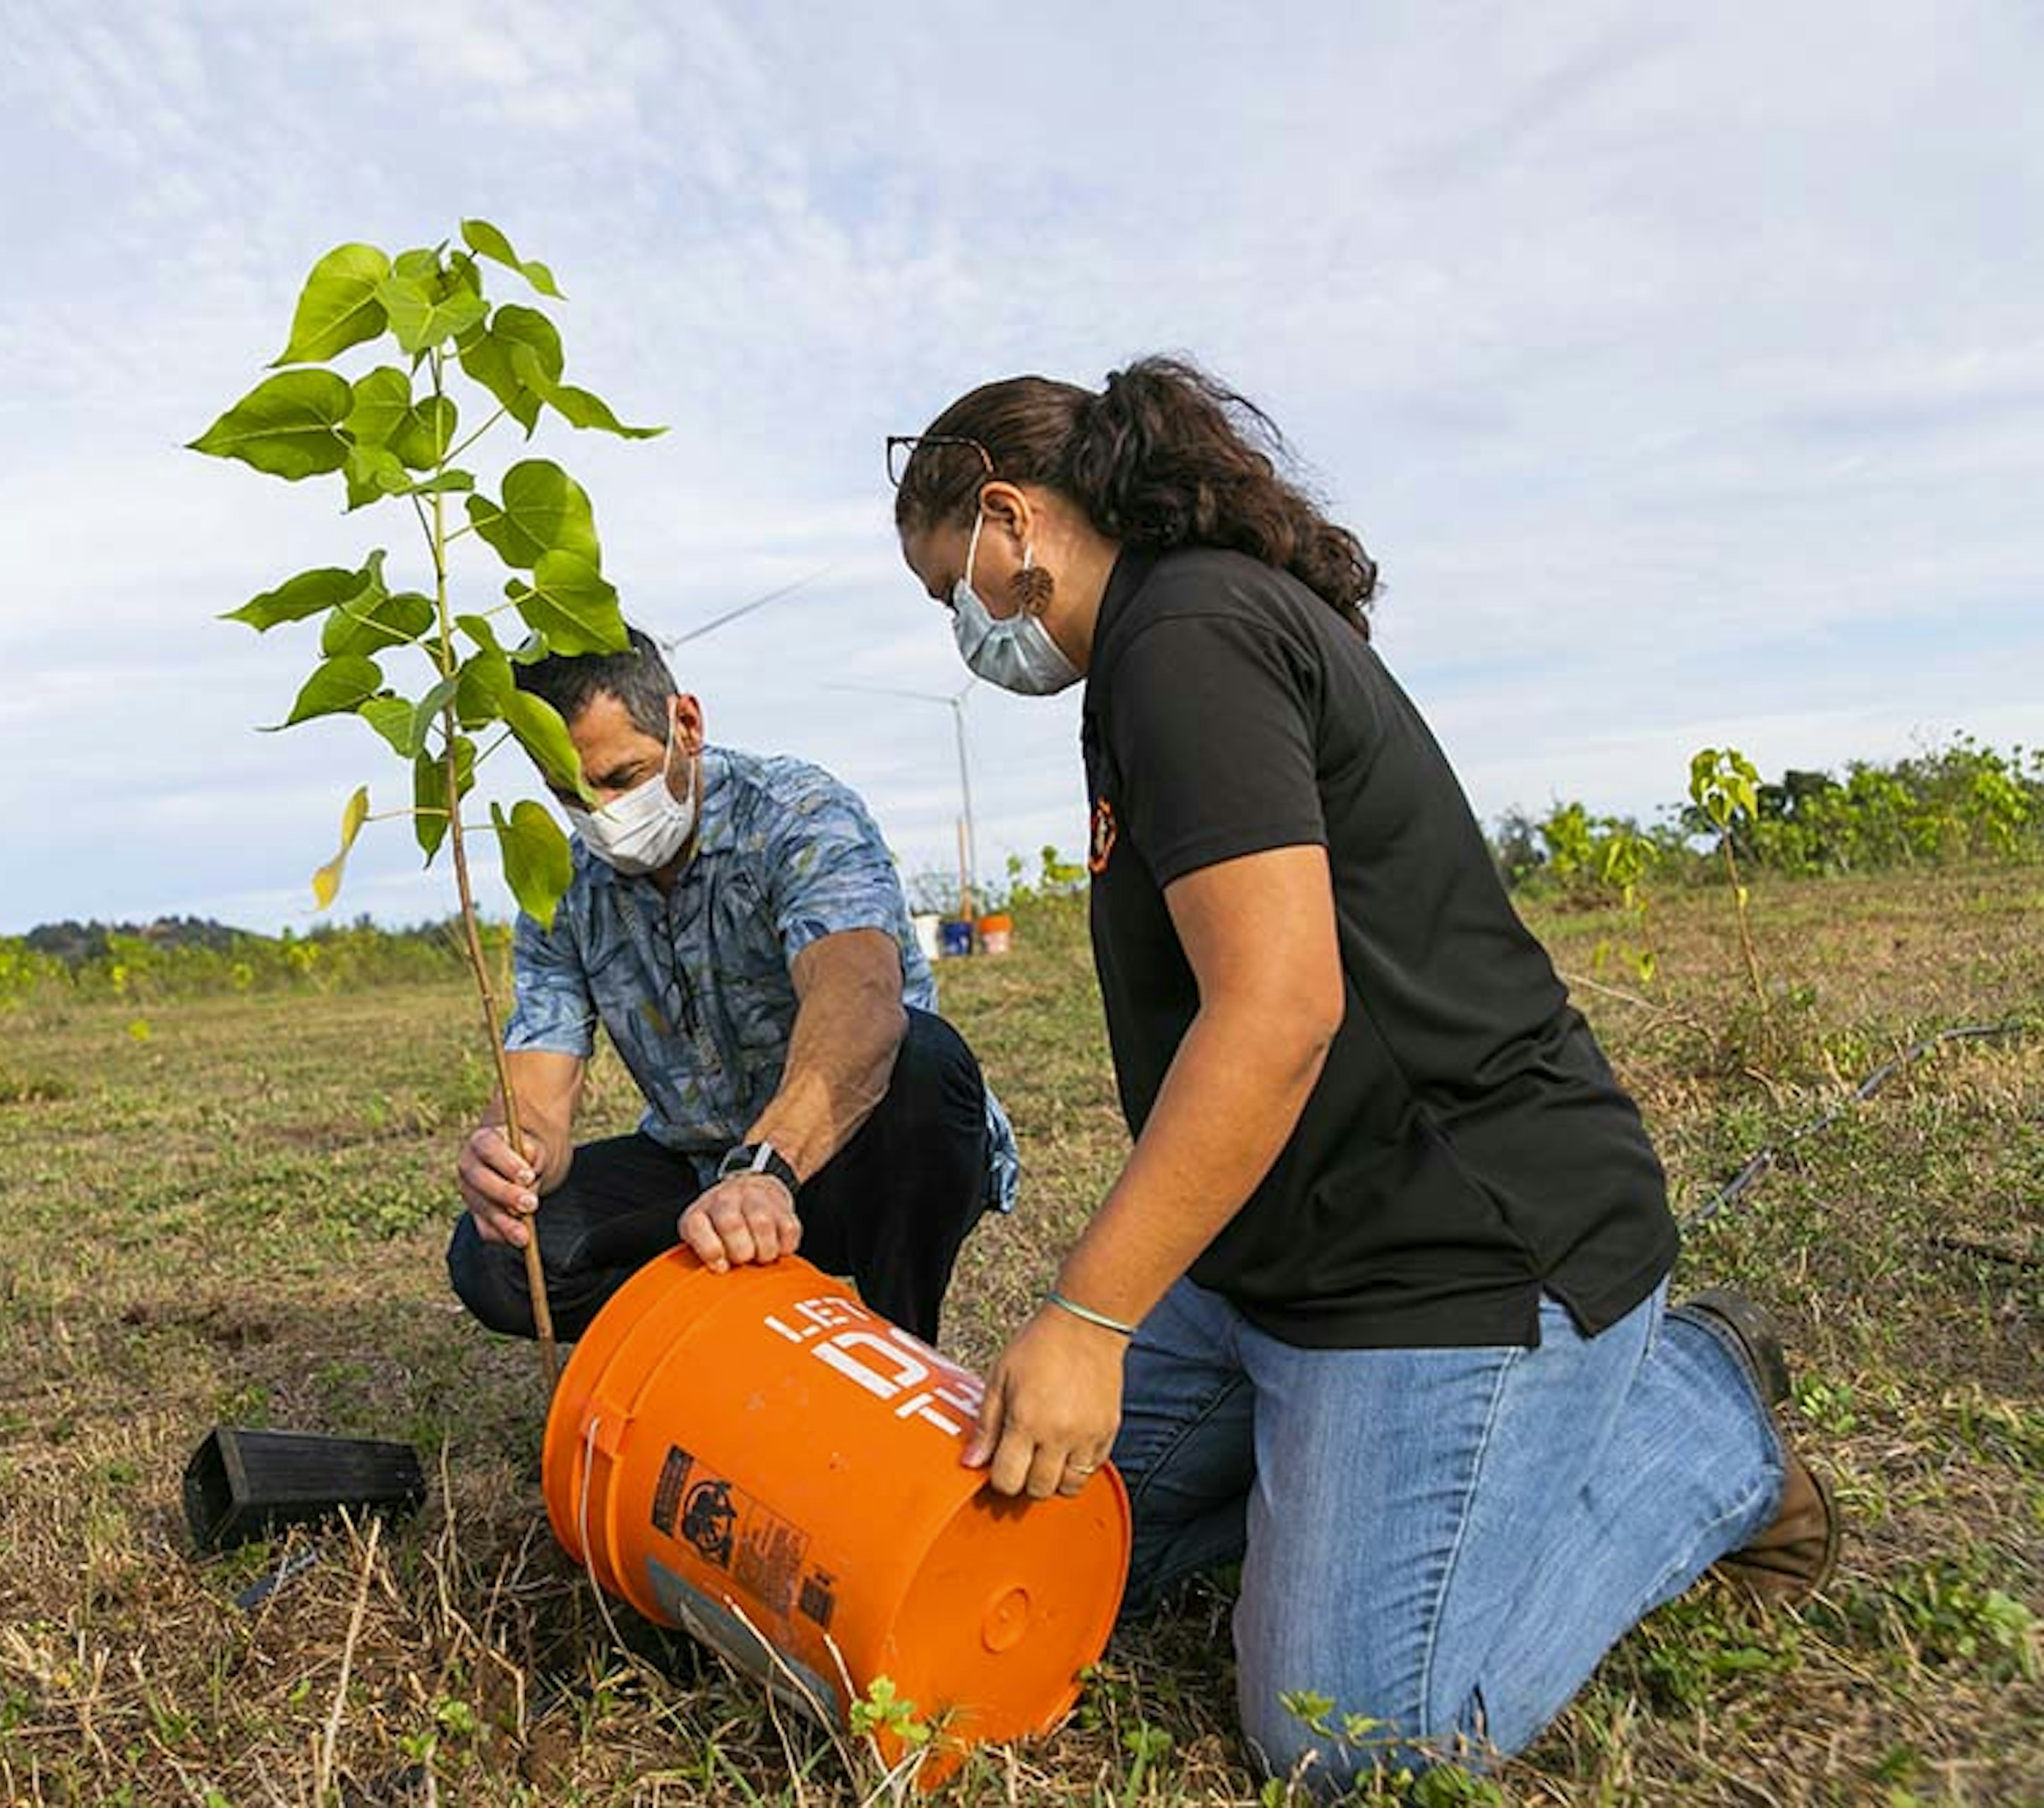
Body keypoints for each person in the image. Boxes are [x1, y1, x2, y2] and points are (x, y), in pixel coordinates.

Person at [886, 359, 1838, 1791]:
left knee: (1346, 1732)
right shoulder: (1151, 651)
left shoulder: (1185, 635)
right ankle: (1325, 1472)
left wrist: (1088, 1313)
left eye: (947, 585)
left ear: (1011, 521)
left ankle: (1701, 1410)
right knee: (1026, 1527)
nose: (964, 629)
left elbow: (1276, 1015)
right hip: (1282, 1259)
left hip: (1455, 1244)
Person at [445, 628, 1018, 1348]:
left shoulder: (797, 814)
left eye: (624, 778)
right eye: (571, 793)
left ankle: (899, 1344)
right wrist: (511, 1151)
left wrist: (765, 1169)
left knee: (921, 1063)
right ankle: (736, 1344)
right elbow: (540, 1082)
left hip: (844, 1158)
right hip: (698, 1177)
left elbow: (860, 1003)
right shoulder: (564, 884)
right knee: (495, 1255)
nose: (603, 814)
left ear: (686, 724)